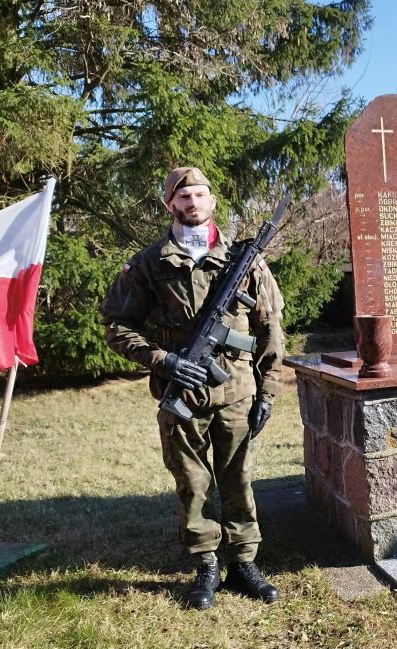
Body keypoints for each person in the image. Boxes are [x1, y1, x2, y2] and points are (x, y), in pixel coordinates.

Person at [100, 167, 286, 609]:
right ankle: (206, 563)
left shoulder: (245, 262)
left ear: (212, 201)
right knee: (191, 482)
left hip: (238, 394)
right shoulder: (147, 263)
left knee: (239, 479)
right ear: (170, 205)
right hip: (181, 394)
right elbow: (116, 325)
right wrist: (164, 360)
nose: (192, 202)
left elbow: (270, 329)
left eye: (199, 194)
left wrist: (268, 393)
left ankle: (243, 562)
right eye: (183, 196)